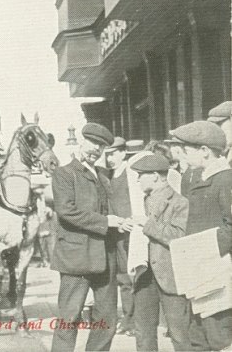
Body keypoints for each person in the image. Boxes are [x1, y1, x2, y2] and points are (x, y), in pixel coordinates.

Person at [50, 122, 133, 352]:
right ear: (81, 141)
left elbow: (108, 211)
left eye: (101, 146)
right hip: (76, 259)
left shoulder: (103, 177)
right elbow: (66, 211)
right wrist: (107, 222)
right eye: (93, 143)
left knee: (105, 321)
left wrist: (121, 221)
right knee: (69, 318)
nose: (96, 149)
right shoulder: (64, 173)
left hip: (105, 258)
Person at [170, 121, 232, 351]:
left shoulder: (225, 180)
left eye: (187, 150)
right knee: (198, 337)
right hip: (201, 274)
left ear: (204, 151)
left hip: (219, 275)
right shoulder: (201, 178)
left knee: (219, 337)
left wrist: (202, 251)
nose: (183, 156)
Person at [127, 153, 191, 352]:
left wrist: (147, 224)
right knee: (143, 334)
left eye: (140, 175)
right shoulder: (143, 201)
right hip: (144, 276)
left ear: (155, 176)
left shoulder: (180, 202)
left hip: (171, 277)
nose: (137, 180)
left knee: (180, 334)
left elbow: (178, 236)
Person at [104, 136, 137, 337]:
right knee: (118, 277)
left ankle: (132, 320)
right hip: (112, 232)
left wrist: (129, 221)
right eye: (107, 155)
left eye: (113, 154)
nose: (110, 158)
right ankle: (126, 319)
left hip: (128, 231)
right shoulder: (108, 175)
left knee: (129, 276)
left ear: (124, 153)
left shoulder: (131, 174)